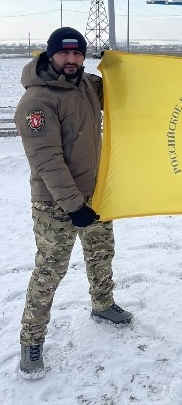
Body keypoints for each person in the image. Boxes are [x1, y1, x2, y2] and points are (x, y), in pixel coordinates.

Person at [15, 27, 132, 380]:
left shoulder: (85, 85)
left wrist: (119, 67)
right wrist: (73, 206)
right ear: (50, 55)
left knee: (101, 253)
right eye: (64, 53)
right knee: (49, 271)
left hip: (95, 194)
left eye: (77, 53)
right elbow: (46, 160)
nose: (71, 59)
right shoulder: (37, 101)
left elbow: (119, 92)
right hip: (55, 203)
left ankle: (103, 304)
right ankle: (32, 340)